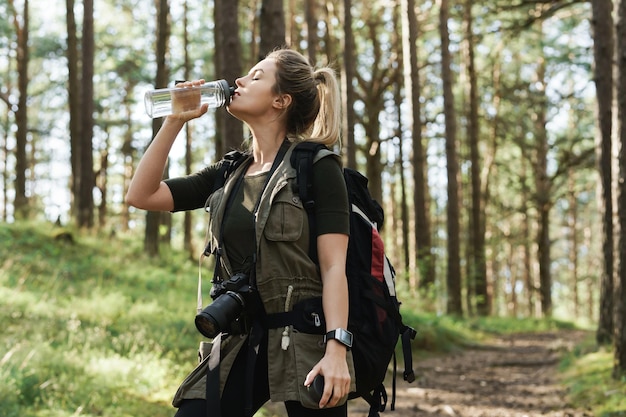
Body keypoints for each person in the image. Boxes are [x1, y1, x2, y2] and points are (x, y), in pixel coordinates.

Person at [125, 47, 355, 417]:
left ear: (281, 100)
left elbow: (333, 269)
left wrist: (336, 350)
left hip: (305, 340)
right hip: (240, 337)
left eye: (256, 76)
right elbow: (141, 195)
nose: (240, 81)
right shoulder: (227, 173)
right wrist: (174, 121)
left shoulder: (317, 167)